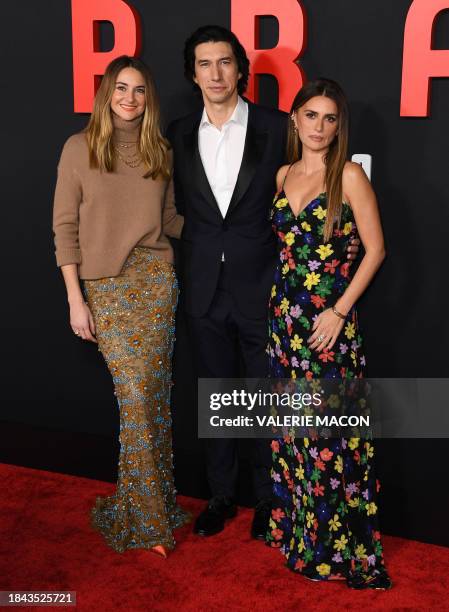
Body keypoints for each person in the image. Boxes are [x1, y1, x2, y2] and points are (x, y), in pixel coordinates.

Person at [167, 26, 359, 539]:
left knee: (265, 397)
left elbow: (321, 178)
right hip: (204, 286)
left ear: (240, 70)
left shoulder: (279, 128)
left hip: (266, 289)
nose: (215, 73)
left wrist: (348, 242)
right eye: (205, 64)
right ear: (193, 73)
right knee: (219, 398)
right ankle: (222, 495)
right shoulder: (177, 132)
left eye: (225, 62)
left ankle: (268, 499)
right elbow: (173, 208)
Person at [53, 55, 189, 557]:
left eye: (139, 91)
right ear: (107, 92)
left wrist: (236, 232)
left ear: (148, 99)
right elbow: (64, 228)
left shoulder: (161, 150)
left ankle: (148, 508)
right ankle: (151, 520)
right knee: (134, 396)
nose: (129, 98)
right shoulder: (79, 147)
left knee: (151, 399)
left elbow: (172, 218)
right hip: (105, 290)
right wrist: (75, 299)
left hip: (155, 284)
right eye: (121, 88)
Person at [266, 79, 391, 589]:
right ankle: (301, 537)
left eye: (329, 118)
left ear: (340, 127)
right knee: (295, 439)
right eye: (310, 116)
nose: (319, 127)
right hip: (284, 327)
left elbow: (376, 250)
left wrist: (338, 312)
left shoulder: (351, 176)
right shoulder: (282, 173)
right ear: (294, 119)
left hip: (328, 329)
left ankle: (338, 550)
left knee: (332, 442)